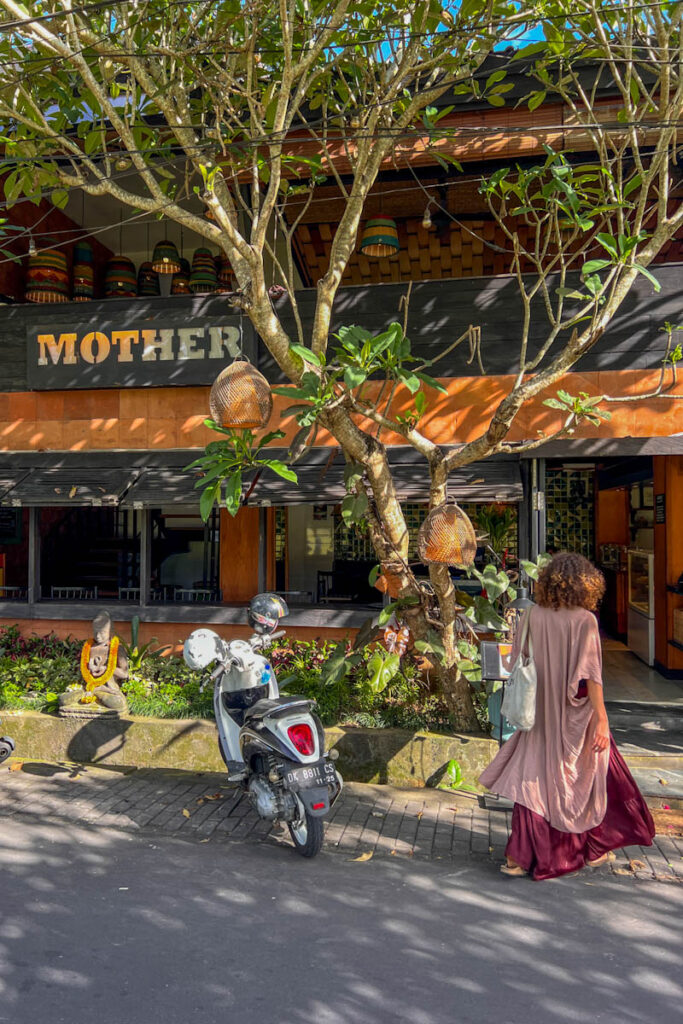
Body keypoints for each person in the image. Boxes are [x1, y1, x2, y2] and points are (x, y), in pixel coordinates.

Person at [479, 552, 655, 880]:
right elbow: (591, 676)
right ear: (585, 584)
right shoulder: (584, 619)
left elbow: (520, 657)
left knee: (533, 781)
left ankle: (519, 858)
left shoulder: (532, 616)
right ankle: (592, 847)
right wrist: (602, 719)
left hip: (537, 713)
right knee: (592, 778)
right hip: (573, 714)